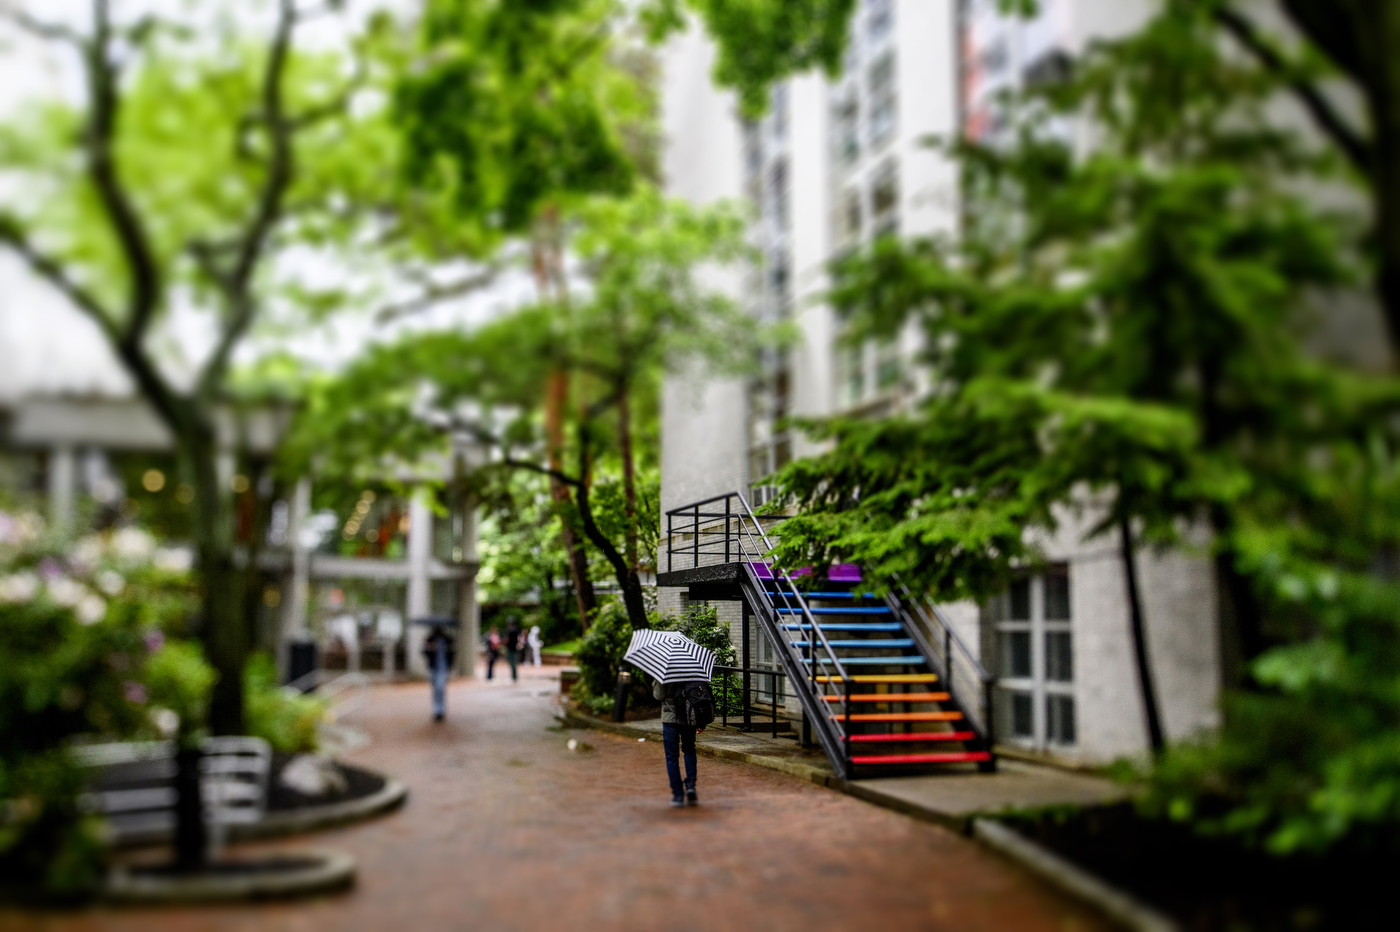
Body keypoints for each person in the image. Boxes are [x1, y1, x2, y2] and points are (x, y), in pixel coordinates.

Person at [653, 680, 704, 807]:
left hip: (669, 717)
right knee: (689, 749)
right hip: (687, 715)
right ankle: (691, 786)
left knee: (671, 755)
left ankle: (678, 794)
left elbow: (659, 695)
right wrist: (700, 720)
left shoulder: (664, 669)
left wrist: (656, 682)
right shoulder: (690, 668)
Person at [422, 624, 455, 722]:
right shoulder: (430, 639)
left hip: (443, 667)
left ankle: (440, 710)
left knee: (440, 688)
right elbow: (424, 652)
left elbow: (452, 652)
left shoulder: (447, 639)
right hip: (433, 667)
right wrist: (429, 647)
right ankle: (436, 710)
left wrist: (451, 664)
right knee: (435, 689)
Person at [504, 616, 522, 682]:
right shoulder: (516, 630)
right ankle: (514, 676)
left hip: (511, 648)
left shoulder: (510, 630)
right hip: (514, 648)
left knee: (512, 663)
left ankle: (514, 677)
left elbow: (507, 639)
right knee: (513, 662)